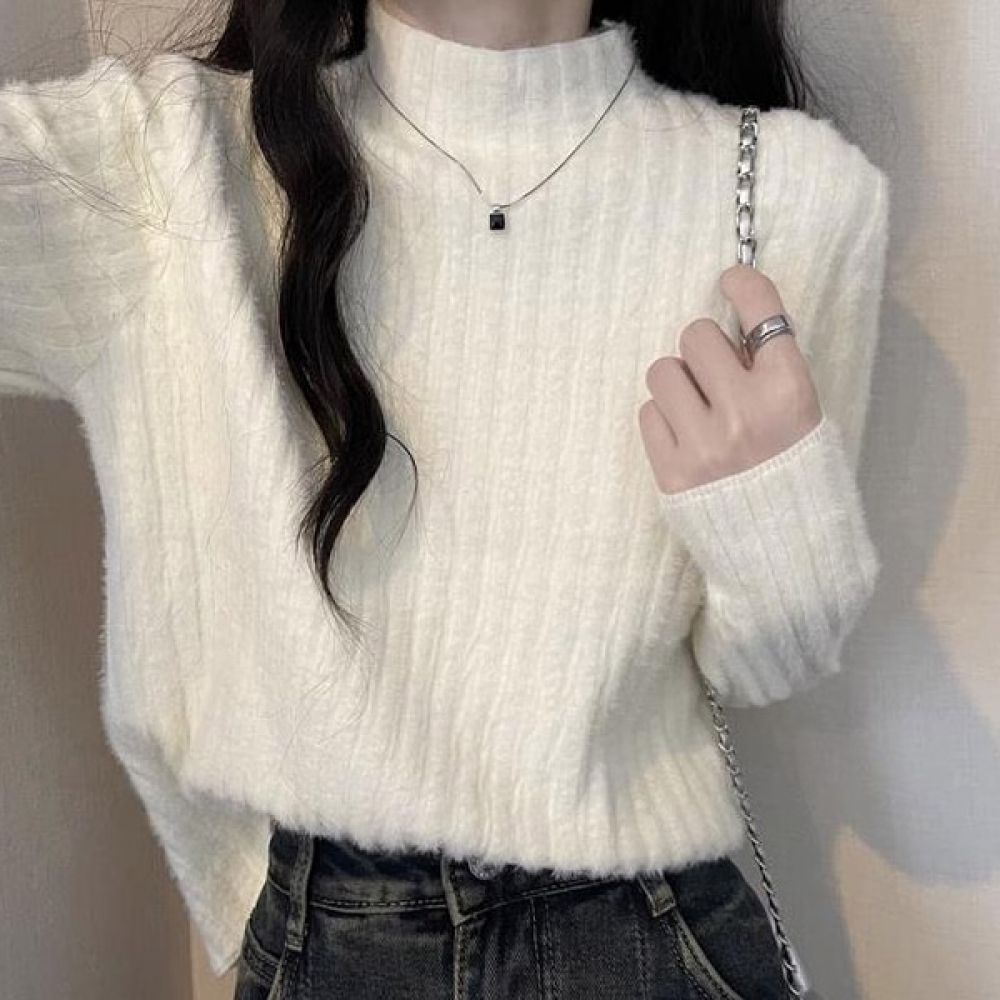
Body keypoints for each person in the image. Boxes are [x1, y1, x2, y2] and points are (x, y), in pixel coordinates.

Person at [0, 0, 889, 995]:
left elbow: (769, 663)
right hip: (331, 938)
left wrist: (770, 513)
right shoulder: (171, 164)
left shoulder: (790, 191)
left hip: (650, 937)